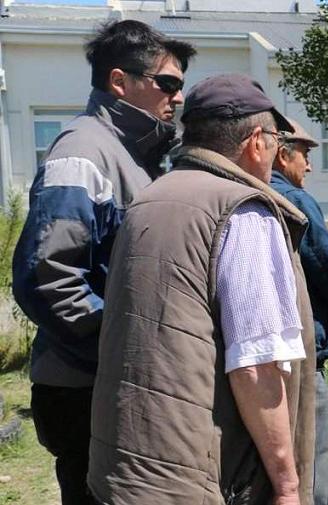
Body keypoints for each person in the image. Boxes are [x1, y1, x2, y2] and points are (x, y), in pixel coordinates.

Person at [88, 74, 317, 505]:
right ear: (255, 142)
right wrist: (288, 486)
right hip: (192, 478)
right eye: (275, 141)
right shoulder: (244, 211)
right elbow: (256, 366)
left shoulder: (149, 197)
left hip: (121, 467)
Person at [11, 20, 195, 504]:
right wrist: (122, 351)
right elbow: (47, 277)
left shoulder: (135, 155)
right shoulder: (83, 152)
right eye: (167, 83)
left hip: (113, 383)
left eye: (181, 87)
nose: (176, 97)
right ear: (119, 82)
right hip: (88, 389)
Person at [270, 125, 328, 505]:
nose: (309, 166)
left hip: (259, 358)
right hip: (303, 357)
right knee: (310, 468)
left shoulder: (250, 193)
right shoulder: (293, 199)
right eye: (305, 155)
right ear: (282, 155)